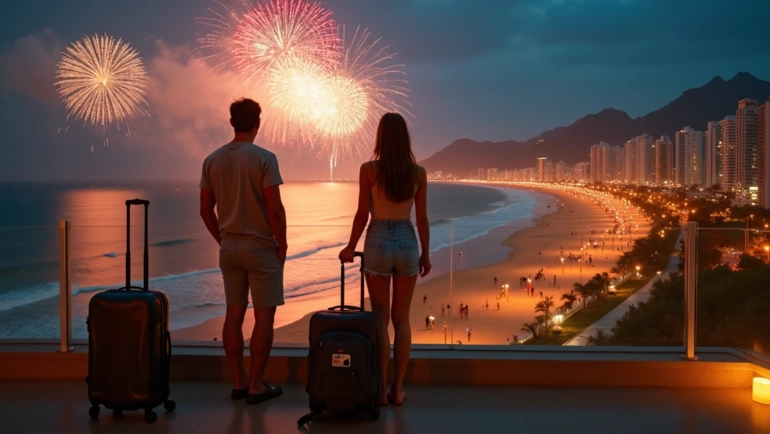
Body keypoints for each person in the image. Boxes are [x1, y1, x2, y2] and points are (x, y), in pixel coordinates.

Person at [339, 112, 431, 407]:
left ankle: (378, 391)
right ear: (405, 138)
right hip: (406, 241)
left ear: (380, 137)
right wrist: (426, 253)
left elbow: (362, 215)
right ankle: (398, 390)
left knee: (379, 317)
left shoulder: (368, 170)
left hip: (377, 241)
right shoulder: (418, 173)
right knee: (401, 319)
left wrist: (350, 247)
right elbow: (422, 218)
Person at [199, 98, 286, 405]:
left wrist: (222, 239)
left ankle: (239, 382)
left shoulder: (212, 159)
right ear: (257, 123)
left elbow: (205, 210)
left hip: (230, 247)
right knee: (264, 318)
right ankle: (257, 385)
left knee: (233, 314)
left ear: (232, 122)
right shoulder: (264, 158)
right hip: (260, 246)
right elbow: (274, 209)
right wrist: (283, 244)